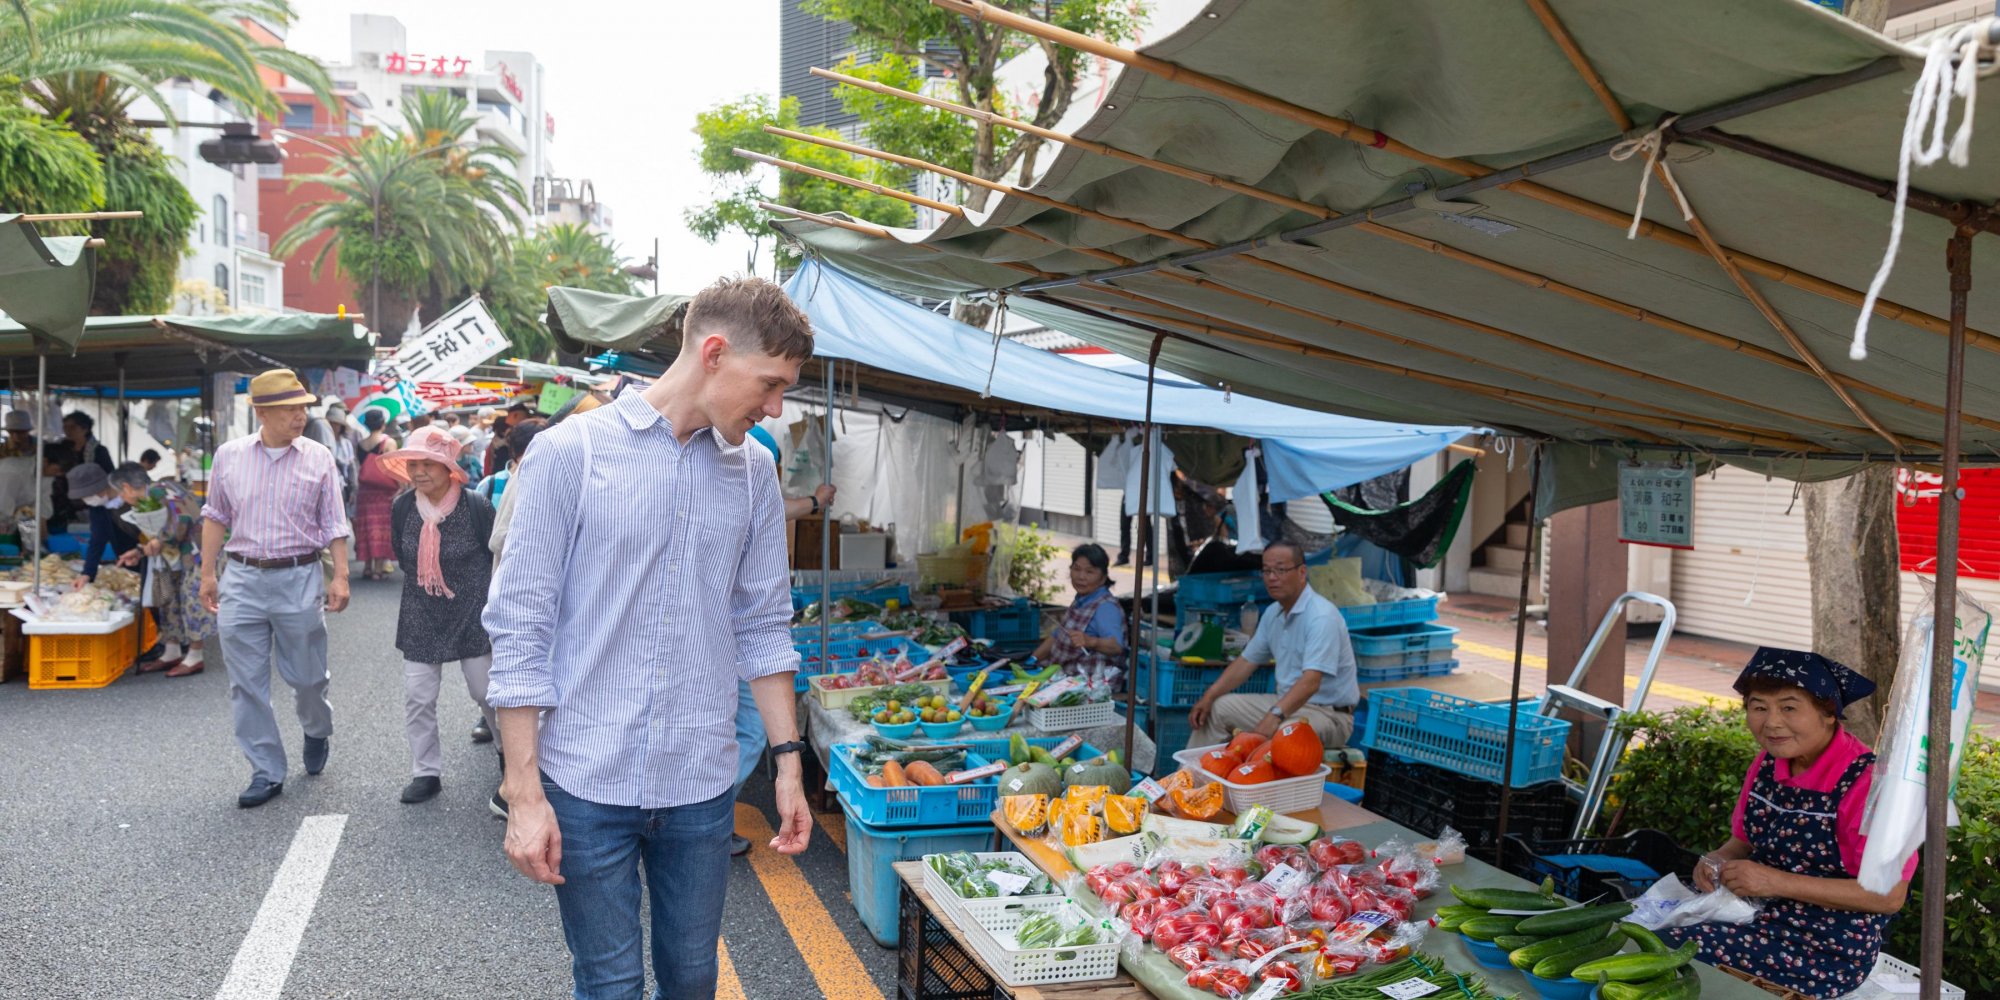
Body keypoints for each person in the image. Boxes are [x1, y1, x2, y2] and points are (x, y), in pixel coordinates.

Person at [485, 276, 813, 999]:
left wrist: (788, 763)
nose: (775, 407)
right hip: (586, 777)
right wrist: (524, 791)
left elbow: (763, 623)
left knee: (693, 979)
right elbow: (520, 626)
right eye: (771, 384)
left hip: (700, 780)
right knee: (608, 983)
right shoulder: (570, 453)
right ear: (715, 352)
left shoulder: (755, 472)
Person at [1656, 648, 1914, 997]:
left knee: (1665, 955)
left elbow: (1889, 896)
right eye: (1759, 707)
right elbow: (1740, 842)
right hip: (1752, 914)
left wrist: (1774, 881)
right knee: (1645, 933)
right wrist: (1717, 858)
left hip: (1826, 949)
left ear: (1828, 714)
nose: (1772, 722)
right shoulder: (1767, 763)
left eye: (1789, 707)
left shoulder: (1870, 784)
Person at [199, 369, 352, 809]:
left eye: (303, 407)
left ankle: (316, 728)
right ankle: (265, 770)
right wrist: (208, 573)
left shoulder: (318, 456)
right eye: (290, 408)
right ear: (261, 412)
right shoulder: (228, 456)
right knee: (245, 683)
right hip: (242, 577)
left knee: (307, 678)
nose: (300, 416)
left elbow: (334, 523)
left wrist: (339, 575)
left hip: (298, 577)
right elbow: (215, 516)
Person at [724, 423, 833, 856]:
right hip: (737, 640)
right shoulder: (748, 473)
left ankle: (704, 821)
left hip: (729, 639)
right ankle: (711, 820)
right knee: (749, 730)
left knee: (731, 730)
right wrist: (814, 501)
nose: (775, 408)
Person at [381, 426, 498, 805]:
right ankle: (425, 772)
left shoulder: (476, 506)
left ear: (449, 468)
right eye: (413, 464)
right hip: (421, 611)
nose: (419, 472)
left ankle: (506, 754)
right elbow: (402, 555)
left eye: (428, 464)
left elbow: (495, 555)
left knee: (486, 692)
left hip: (472, 611)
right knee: (418, 697)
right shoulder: (402, 507)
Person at [1188, 540, 1358, 749]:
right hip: (1285, 704)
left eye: (1280, 570)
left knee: (1286, 732)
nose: (1272, 578)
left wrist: (1274, 715)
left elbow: (1311, 682)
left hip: (1329, 715)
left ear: (1302, 572)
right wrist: (1209, 696)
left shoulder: (1321, 617)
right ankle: (1189, 777)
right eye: (1266, 571)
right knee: (1219, 707)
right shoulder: (1272, 613)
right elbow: (1245, 662)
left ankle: (1247, 778)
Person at [112, 464, 214, 677]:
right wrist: (141, 549)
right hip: (175, 556)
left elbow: (182, 520)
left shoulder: (163, 490)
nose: (122, 499)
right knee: (170, 598)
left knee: (192, 599)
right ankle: (172, 650)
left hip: (196, 551)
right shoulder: (159, 492)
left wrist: (158, 540)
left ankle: (195, 656)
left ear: (127, 487)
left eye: (120, 493)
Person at [1028, 543, 1126, 678]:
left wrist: (1090, 641)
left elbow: (1116, 647)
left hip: (1090, 683)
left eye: (1089, 572)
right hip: (1063, 673)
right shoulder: (1081, 598)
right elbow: (1057, 635)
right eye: (1076, 569)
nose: (1081, 577)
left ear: (1103, 578)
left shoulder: (1106, 607)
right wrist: (1031, 660)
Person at [64, 462, 139, 582]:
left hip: (148, 555)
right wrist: (87, 573)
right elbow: (97, 540)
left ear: (100, 488)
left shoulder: (133, 498)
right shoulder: (98, 507)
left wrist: (141, 551)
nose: (86, 500)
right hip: (126, 560)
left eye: (86, 495)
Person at [354, 409, 399, 581]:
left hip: (365, 491)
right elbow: (392, 468)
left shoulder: (360, 443)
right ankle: (378, 569)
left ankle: (367, 567)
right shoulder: (389, 442)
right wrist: (401, 486)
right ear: (383, 423)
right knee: (380, 528)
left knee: (366, 527)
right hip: (383, 491)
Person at [0, 411, 43, 524]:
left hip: (34, 498)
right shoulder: (2, 450)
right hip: (7, 499)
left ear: (28, 431)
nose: (15, 436)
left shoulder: (41, 448)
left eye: (20, 432)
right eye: (11, 432)